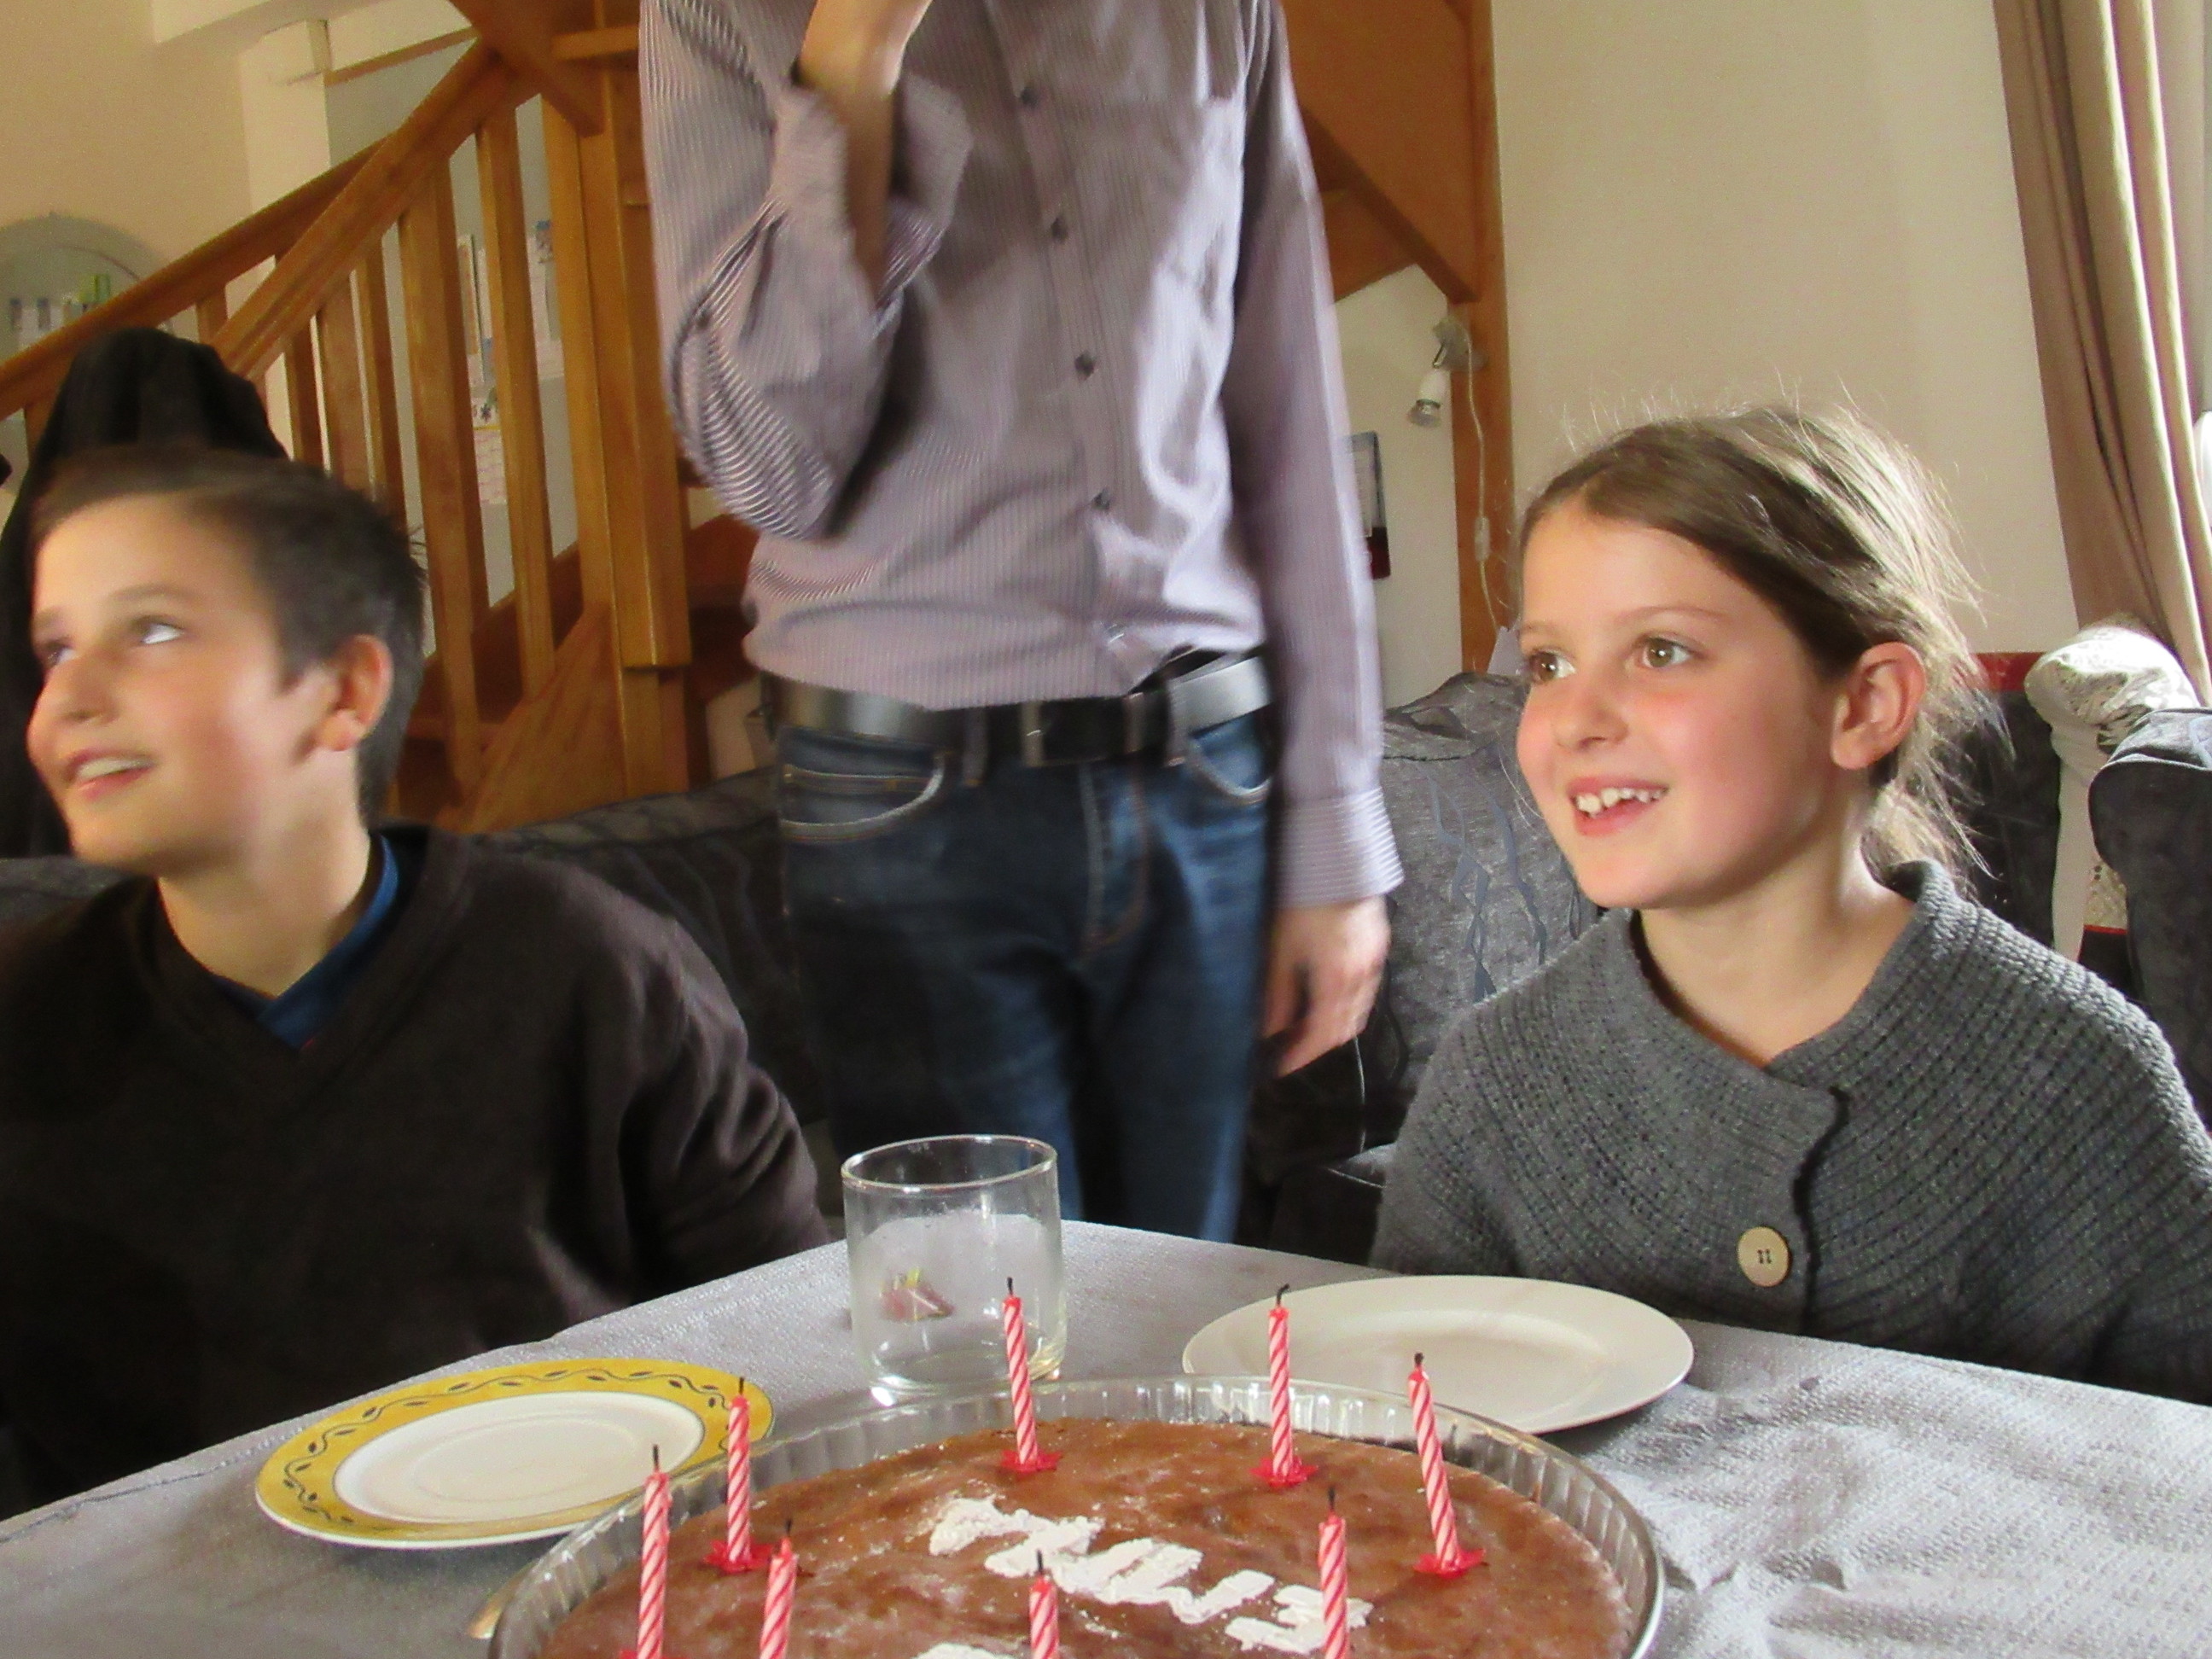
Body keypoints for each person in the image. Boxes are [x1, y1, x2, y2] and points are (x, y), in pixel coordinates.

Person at [640, 0, 1400, 1240]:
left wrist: (1338, 841)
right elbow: (770, 472)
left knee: (1188, 1304)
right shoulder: (719, 12)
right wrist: (853, 68)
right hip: (902, 808)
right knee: (980, 1329)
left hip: (1207, 775)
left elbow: (1290, 416)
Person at [0, 448, 827, 1507]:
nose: (68, 697)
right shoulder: (28, 1021)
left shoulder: (589, 965)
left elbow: (786, 1321)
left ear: (343, 691)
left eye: (152, 631)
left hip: (586, 1544)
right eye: (56, 648)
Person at [1372, 408, 2212, 1400]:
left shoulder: (2081, 1078)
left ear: (1863, 705)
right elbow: (1411, 1437)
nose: (1573, 719)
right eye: (1549, 663)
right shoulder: (1495, 1085)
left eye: (1660, 651)